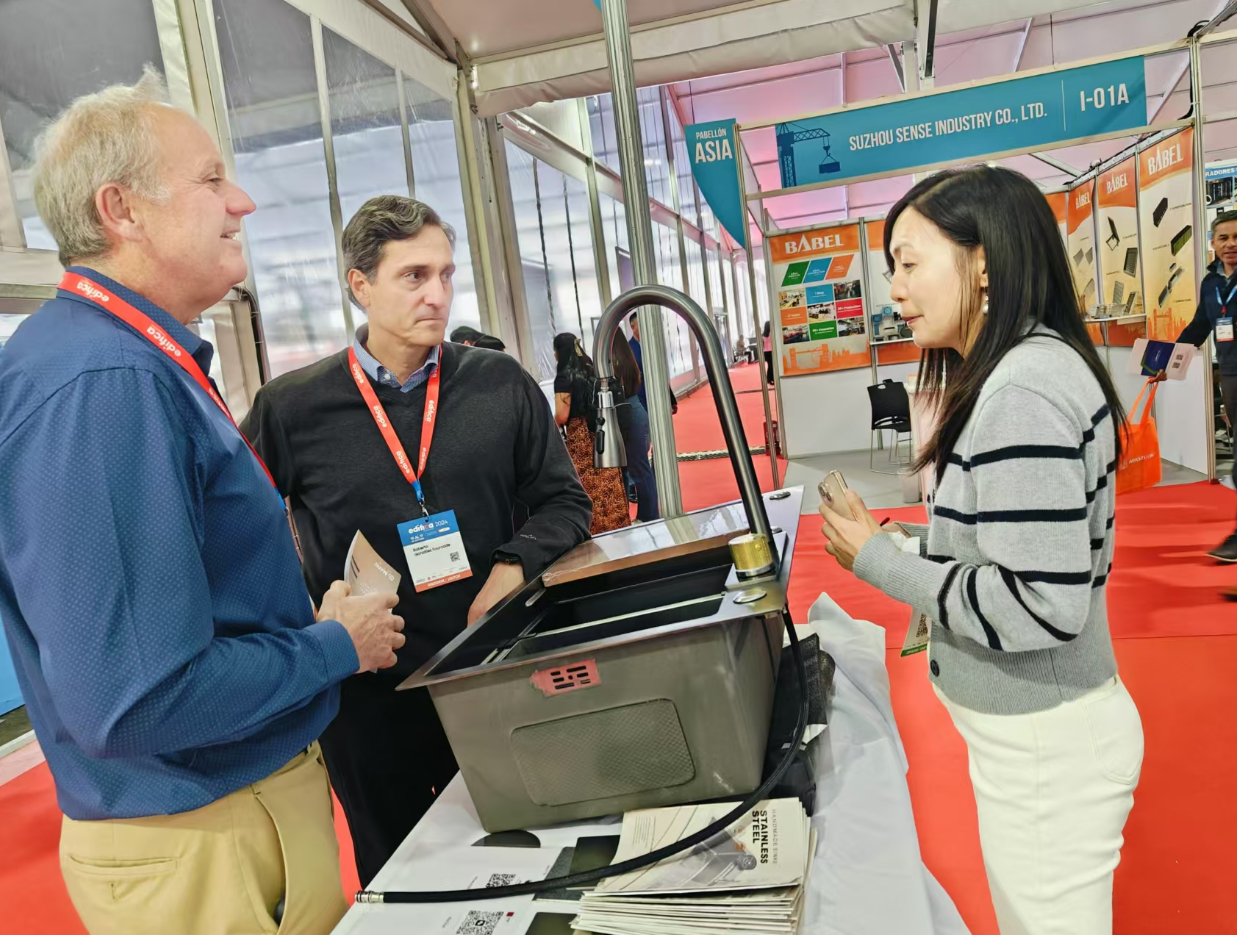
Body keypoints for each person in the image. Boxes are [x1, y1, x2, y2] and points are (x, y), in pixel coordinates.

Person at [0, 73, 405, 935]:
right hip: (202, 835)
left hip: (228, 817)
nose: (244, 202)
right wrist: (333, 646)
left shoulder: (127, 362)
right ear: (123, 210)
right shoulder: (102, 384)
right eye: (213, 179)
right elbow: (137, 699)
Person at [819, 166, 1143, 934]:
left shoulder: (1020, 391)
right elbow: (1009, 539)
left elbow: (1039, 601)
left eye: (907, 261)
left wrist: (883, 562)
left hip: (1046, 749)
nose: (893, 289)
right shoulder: (1023, 367)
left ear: (982, 262)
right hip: (1040, 739)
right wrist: (914, 541)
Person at [240, 195, 591, 887]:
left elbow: (564, 501)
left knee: (527, 852)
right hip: (370, 696)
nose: (436, 295)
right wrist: (305, 621)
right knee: (398, 873)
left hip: (489, 670)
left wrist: (511, 569)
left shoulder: (499, 384)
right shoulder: (292, 407)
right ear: (360, 284)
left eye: (445, 274)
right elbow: (241, 534)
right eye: (413, 276)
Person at [1164, 210, 1237, 562]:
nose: (1231, 244)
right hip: (1231, 375)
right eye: (1223, 238)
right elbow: (1199, 327)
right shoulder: (1211, 283)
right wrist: (1165, 363)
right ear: (1212, 243)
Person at [553, 332, 633, 534]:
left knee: (588, 485)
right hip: (601, 430)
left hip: (580, 437)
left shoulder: (564, 377)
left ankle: (595, 528)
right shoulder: (591, 368)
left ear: (559, 353)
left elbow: (562, 415)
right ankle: (618, 523)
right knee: (608, 479)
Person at [611, 331, 659, 522]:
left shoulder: (614, 362)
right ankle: (648, 514)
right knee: (638, 469)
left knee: (639, 470)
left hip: (628, 414)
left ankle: (649, 516)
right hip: (635, 410)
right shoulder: (628, 359)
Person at [627, 311, 679, 416]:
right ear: (633, 327)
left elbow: (660, 373)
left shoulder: (654, 346)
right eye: (642, 325)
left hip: (660, 400)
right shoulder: (628, 350)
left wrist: (671, 399)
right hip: (641, 403)